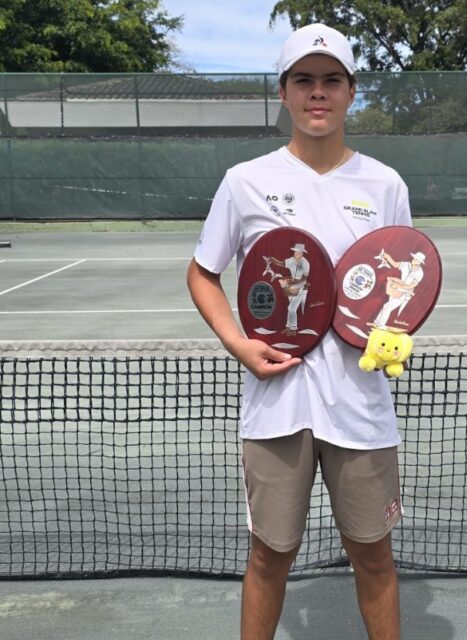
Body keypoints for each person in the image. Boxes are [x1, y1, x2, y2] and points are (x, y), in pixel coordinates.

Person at [186, 23, 410, 640]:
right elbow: (203, 274)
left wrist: (393, 332)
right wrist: (239, 345)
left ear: (351, 92)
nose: (319, 93)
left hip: (361, 406)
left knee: (373, 556)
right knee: (269, 556)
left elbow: (399, 289)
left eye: (331, 80)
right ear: (283, 93)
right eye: (304, 81)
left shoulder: (386, 185)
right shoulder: (245, 181)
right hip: (275, 404)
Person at [263, 243, 311, 335]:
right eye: (295, 252)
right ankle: (289, 327)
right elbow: (282, 263)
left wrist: (291, 282)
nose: (295, 254)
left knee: (291, 308)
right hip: (291, 287)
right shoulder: (292, 260)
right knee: (291, 308)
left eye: (297, 252)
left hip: (301, 287)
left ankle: (293, 329)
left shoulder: (306, 263)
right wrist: (273, 260)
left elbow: (304, 278)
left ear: (302, 253)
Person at [371, 250, 426, 329]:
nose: (413, 260)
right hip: (395, 290)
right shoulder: (406, 264)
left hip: (405, 293)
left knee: (387, 307)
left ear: (420, 262)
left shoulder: (419, 273)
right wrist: (387, 256)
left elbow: (411, 286)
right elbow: (394, 264)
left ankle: (381, 326)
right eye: (414, 258)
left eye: (416, 259)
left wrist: (398, 285)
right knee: (386, 306)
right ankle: (376, 323)